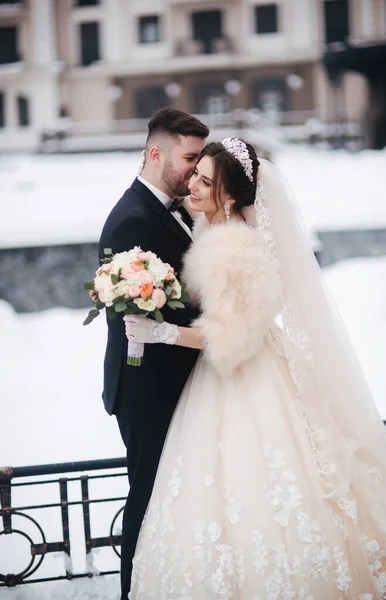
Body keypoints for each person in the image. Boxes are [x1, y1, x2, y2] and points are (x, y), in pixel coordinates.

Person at [125, 139, 386, 598]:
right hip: (241, 370)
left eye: (205, 181)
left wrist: (162, 333)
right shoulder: (216, 226)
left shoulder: (232, 246)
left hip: (245, 374)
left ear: (230, 196)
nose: (192, 184)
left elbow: (232, 337)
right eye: (194, 174)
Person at [98, 107, 209, 600]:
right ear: (157, 152)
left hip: (182, 387)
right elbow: (139, 318)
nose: (195, 168)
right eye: (189, 157)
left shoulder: (178, 209)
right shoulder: (131, 220)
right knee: (146, 503)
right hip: (148, 392)